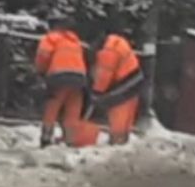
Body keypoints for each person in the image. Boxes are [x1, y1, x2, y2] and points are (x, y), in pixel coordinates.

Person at [33, 13, 88, 148]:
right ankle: (70, 139)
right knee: (72, 108)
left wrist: (41, 72)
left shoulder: (50, 39)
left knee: (52, 106)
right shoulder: (74, 41)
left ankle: (46, 137)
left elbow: (43, 56)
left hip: (59, 76)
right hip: (79, 77)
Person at [89, 29, 143, 145]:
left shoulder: (108, 52)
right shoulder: (115, 42)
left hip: (123, 86)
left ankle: (117, 143)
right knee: (126, 120)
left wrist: (96, 94)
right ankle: (123, 143)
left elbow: (104, 76)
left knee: (118, 117)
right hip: (135, 80)